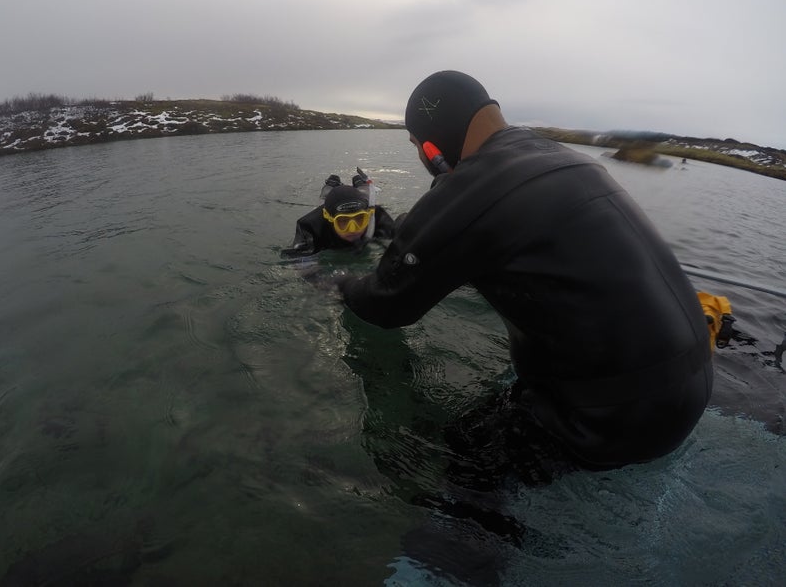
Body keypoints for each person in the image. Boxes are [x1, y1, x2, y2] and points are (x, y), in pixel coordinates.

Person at [335, 70, 714, 469]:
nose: (420, 156)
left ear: (432, 145)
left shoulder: (471, 191)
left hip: (612, 417)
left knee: (454, 462)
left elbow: (384, 305)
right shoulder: (565, 157)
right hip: (696, 381)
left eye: (416, 144)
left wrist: (337, 284)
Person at [281, 172, 396, 257]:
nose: (353, 229)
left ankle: (359, 180)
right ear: (329, 218)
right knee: (326, 196)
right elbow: (297, 262)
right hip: (330, 205)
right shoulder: (311, 227)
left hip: (360, 199)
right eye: (343, 221)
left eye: (360, 219)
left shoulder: (376, 217)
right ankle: (333, 182)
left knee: (363, 192)